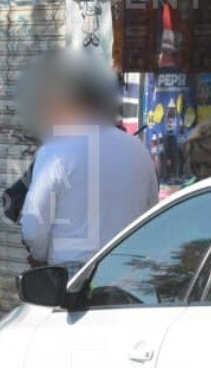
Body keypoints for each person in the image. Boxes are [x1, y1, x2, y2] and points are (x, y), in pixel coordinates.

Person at [17, 49, 158, 272]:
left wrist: (40, 259)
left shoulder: (56, 149)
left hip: (75, 275)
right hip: (128, 275)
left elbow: (33, 228)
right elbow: (151, 218)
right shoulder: (138, 150)